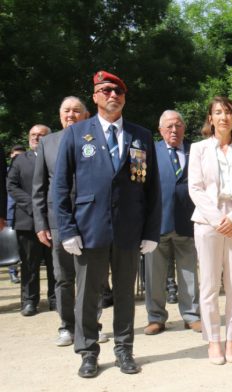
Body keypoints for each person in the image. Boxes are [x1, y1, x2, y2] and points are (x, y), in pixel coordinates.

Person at [53, 70, 161, 378]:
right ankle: (88, 351)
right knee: (88, 294)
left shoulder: (140, 136)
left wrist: (151, 231)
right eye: (107, 90)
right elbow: (60, 186)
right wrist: (67, 229)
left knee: (126, 293)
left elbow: (151, 188)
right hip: (89, 229)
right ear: (96, 96)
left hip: (129, 228)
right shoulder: (77, 134)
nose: (113, 95)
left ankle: (124, 349)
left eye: (119, 92)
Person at [188, 96, 232, 365]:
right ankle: (213, 340)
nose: (223, 117)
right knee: (208, 285)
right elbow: (195, 187)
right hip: (208, 222)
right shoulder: (199, 149)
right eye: (218, 112)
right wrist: (218, 219)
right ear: (210, 118)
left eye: (228, 112)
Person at [32, 96, 90, 345]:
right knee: (63, 276)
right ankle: (67, 325)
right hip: (58, 220)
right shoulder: (48, 142)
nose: (71, 115)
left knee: (91, 275)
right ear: (59, 115)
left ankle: (90, 323)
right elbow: (38, 187)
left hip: (90, 218)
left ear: (85, 115)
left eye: (77, 111)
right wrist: (41, 224)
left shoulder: (94, 138)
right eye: (66, 110)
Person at [143, 110, 201, 335]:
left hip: (188, 221)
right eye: (169, 126)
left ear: (184, 128)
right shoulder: (149, 151)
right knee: (154, 275)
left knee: (189, 273)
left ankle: (191, 315)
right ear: (160, 130)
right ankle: (156, 317)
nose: (174, 130)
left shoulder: (195, 151)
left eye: (178, 126)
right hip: (156, 223)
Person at [8, 124, 54, 317]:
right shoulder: (20, 160)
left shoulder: (56, 158)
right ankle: (29, 301)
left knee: (55, 264)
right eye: (33, 135)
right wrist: (34, 206)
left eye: (41, 135)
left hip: (53, 219)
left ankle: (56, 299)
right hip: (27, 221)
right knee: (29, 263)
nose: (36, 138)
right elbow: (11, 185)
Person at [6, 145, 22, 284]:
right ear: (11, 155)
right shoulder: (4, 172)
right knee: (11, 246)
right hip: (7, 215)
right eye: (15, 155)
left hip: (22, 215)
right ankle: (13, 272)